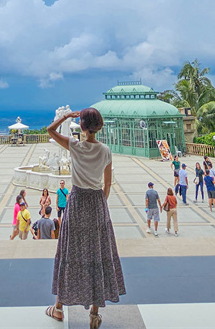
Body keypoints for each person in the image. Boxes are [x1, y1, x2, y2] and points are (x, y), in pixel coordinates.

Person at [46, 107, 125, 328]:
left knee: (69, 251)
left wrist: (66, 117)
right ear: (99, 126)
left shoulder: (75, 146)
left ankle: (59, 308)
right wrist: (100, 203)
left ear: (81, 126)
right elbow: (107, 184)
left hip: (78, 201)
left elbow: (50, 130)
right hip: (97, 202)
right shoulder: (106, 150)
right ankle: (93, 314)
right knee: (97, 252)